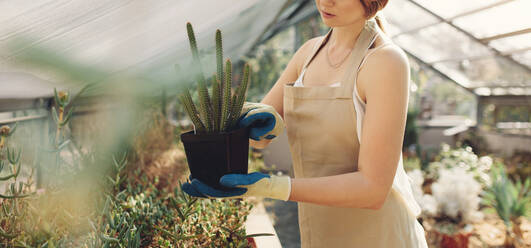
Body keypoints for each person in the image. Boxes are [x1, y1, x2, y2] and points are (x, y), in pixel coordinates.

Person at [182, 0, 429, 247]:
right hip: (320, 230)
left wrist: (271, 186)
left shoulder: (385, 61)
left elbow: (372, 190)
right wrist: (260, 125)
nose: (324, 1)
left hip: (379, 235)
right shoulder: (308, 54)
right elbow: (257, 140)